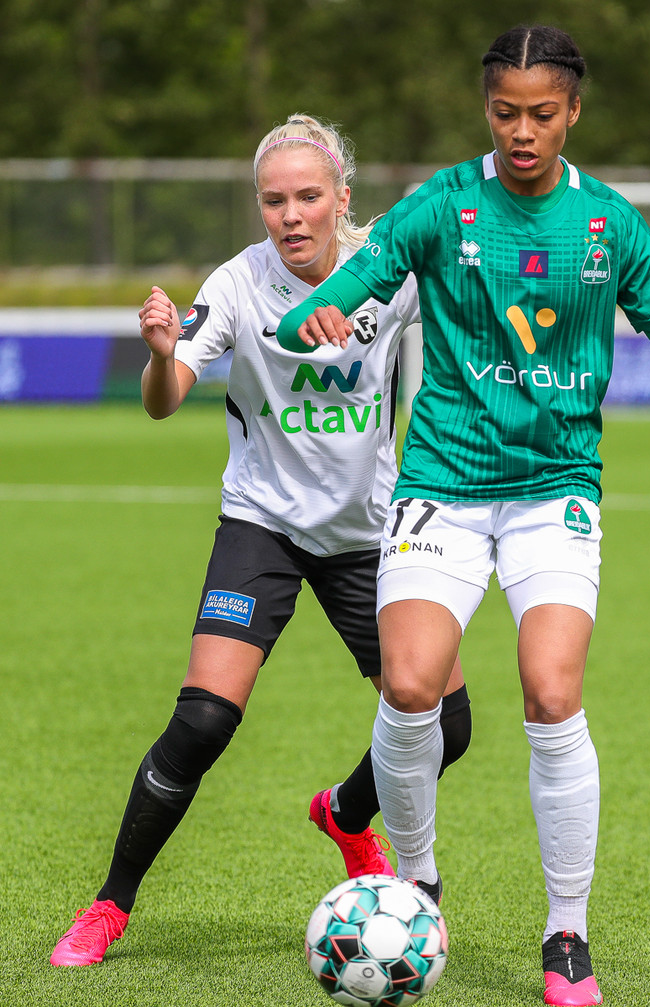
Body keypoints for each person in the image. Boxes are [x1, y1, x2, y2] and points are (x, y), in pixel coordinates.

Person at [277, 25, 650, 1007]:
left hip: (556, 490)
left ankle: (567, 930)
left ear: (573, 112)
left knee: (552, 692)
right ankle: (416, 885)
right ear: (487, 110)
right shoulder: (442, 203)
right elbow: (341, 290)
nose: (521, 131)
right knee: (411, 684)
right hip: (442, 484)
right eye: (504, 113)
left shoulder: (610, 225)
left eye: (542, 114)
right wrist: (316, 313)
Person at [50, 114, 471, 968]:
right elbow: (165, 398)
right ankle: (109, 904)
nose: (290, 215)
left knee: (448, 725)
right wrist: (161, 355)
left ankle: (346, 811)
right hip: (263, 526)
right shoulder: (238, 283)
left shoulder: (387, 274)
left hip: (369, 534)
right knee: (203, 719)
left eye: (308, 196)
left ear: (341, 199)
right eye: (274, 200)